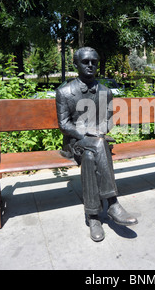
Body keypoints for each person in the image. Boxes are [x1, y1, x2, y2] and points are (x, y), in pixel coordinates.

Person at [56, 47, 138, 242]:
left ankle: (93, 217)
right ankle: (112, 203)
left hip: (96, 144)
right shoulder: (64, 92)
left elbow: (109, 120)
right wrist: (86, 132)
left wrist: (99, 131)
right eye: (85, 61)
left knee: (91, 155)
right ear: (76, 64)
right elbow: (64, 124)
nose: (91, 65)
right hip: (75, 142)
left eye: (94, 61)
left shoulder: (105, 91)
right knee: (96, 146)